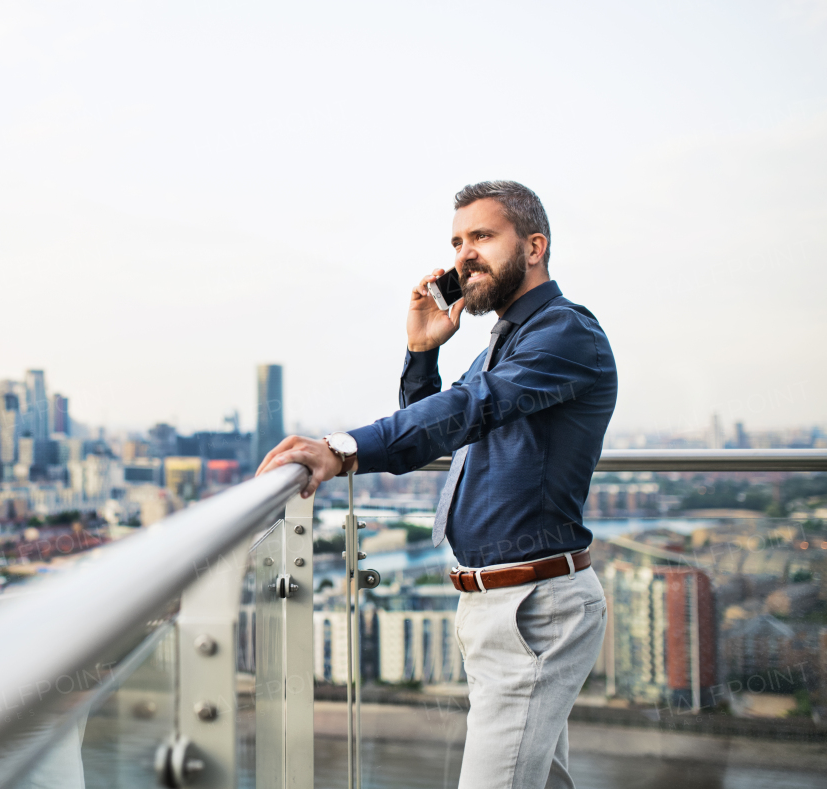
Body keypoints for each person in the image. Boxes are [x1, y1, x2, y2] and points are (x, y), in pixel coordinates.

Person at [257, 180, 617, 789]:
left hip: (533, 606)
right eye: (456, 242)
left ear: (534, 247)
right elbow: (441, 430)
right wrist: (422, 352)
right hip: (499, 604)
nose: (463, 256)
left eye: (482, 236)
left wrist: (341, 450)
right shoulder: (504, 346)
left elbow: (468, 409)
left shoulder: (565, 333)